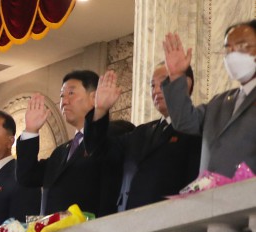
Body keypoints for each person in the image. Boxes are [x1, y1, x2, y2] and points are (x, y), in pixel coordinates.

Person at [85, 66, 201, 211]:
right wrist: (100, 111)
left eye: (163, 82)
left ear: (185, 84)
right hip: (134, 218)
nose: (156, 90)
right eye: (152, 85)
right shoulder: (141, 133)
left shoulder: (198, 127)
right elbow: (98, 150)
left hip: (174, 217)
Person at [16, 70, 121, 217]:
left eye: (71, 93)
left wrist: (100, 111)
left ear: (94, 97)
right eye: (62, 96)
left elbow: (96, 147)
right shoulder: (60, 152)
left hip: (93, 227)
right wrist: (31, 131)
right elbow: (27, 177)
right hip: (54, 229)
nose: (64, 101)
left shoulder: (114, 135)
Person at [161, 22, 256, 177]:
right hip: (211, 190)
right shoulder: (219, 102)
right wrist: (176, 76)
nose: (233, 55)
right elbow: (184, 121)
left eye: (241, 46)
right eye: (228, 49)